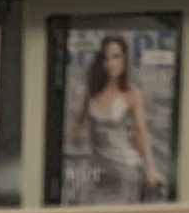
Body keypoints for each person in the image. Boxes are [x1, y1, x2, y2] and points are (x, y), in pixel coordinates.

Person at [66, 33, 164, 204]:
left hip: (124, 170)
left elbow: (141, 131)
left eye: (116, 56)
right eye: (107, 58)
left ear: (124, 59)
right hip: (97, 170)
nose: (111, 63)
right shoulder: (93, 92)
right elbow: (79, 123)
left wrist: (151, 168)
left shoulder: (132, 94)